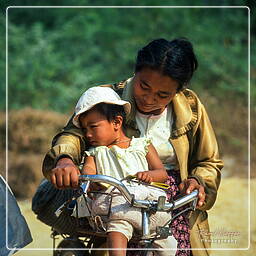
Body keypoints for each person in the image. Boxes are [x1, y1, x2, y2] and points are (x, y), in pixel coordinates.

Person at [42, 38, 223, 256]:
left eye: (162, 95)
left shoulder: (191, 108)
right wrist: (65, 159)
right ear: (135, 72)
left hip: (171, 202)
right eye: (143, 86)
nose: (149, 99)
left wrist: (198, 181)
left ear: (178, 91)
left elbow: (208, 161)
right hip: (116, 195)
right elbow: (72, 135)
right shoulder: (106, 99)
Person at [68, 86, 177, 256]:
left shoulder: (143, 145)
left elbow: (162, 174)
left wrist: (149, 175)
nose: (88, 134)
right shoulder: (95, 153)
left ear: (117, 123)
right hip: (117, 208)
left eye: (93, 127)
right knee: (117, 228)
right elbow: (88, 172)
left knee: (167, 242)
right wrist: (89, 180)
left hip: (148, 206)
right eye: (84, 130)